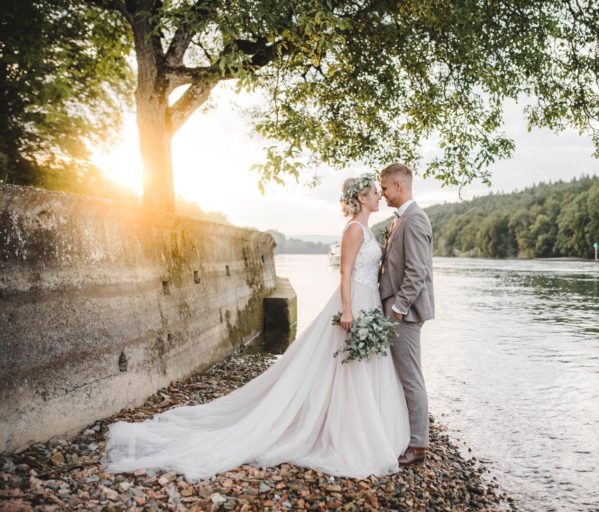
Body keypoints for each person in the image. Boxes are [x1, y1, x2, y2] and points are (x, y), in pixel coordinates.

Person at [101, 173, 410, 482]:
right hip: (355, 300)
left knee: (358, 364)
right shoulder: (354, 230)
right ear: (360, 198)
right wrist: (347, 310)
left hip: (369, 301)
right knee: (344, 365)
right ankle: (349, 432)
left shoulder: (367, 230)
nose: (378, 196)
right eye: (373, 192)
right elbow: (344, 273)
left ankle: (362, 425)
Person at [378, 163, 435, 465]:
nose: (383, 194)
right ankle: (405, 434)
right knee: (402, 375)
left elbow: (417, 271)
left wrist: (398, 309)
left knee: (411, 378)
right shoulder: (401, 219)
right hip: (395, 309)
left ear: (399, 186)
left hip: (406, 313)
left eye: (385, 188)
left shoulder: (414, 220)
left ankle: (418, 445)